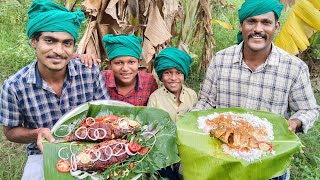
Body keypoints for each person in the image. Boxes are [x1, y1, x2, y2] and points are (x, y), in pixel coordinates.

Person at [193, 0, 319, 179]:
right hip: (224, 159)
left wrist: (294, 123)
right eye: (251, 21)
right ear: (241, 26)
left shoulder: (294, 68)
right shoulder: (221, 61)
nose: (258, 29)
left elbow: (308, 109)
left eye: (266, 22)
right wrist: (191, 121)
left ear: (276, 27)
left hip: (268, 162)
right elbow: (205, 101)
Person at [0, 0, 110, 179]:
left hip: (89, 148)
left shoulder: (90, 73)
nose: (58, 51)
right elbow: (10, 131)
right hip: (42, 154)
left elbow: (106, 112)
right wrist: (36, 133)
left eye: (67, 43)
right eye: (50, 41)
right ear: (34, 41)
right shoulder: (14, 86)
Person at [102, 34, 158, 106]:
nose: (125, 68)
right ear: (109, 64)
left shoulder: (149, 82)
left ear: (139, 62)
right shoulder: (101, 80)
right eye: (118, 63)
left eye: (131, 62)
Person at [147, 47, 197, 123]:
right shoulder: (155, 99)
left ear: (184, 74)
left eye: (178, 73)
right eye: (167, 73)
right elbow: (150, 126)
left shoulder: (192, 95)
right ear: (161, 76)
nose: (173, 78)